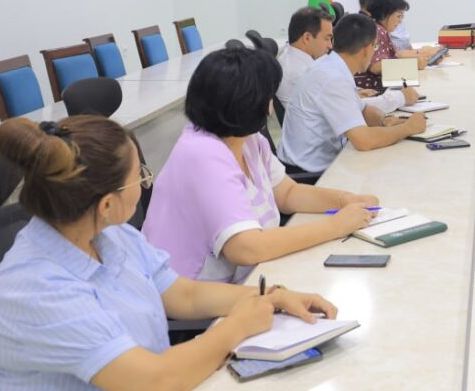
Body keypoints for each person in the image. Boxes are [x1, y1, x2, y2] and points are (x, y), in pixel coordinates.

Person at [0, 116, 338, 390]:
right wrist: (237, 326)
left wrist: (270, 297)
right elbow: (156, 380)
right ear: (106, 204)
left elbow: (184, 294)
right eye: (140, 176)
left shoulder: (109, 234)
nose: (145, 183)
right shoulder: (37, 293)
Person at [143, 47, 379, 283]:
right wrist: (335, 225)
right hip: (192, 292)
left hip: (245, 278)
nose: (270, 106)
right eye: (268, 97)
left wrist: (344, 200)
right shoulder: (202, 154)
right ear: (248, 103)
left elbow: (287, 193)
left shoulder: (247, 140)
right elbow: (246, 248)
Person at [281, 14, 427, 172]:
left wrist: (385, 120)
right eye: (375, 47)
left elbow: (363, 109)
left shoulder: (333, 65)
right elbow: (363, 141)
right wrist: (408, 128)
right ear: (367, 49)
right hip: (311, 173)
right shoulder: (332, 78)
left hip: (322, 160)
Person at [356, 0, 441, 92]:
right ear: (384, 14)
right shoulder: (377, 31)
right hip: (372, 92)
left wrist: (426, 60)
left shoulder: (379, 29)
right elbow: (375, 66)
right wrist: (413, 65)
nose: (400, 21)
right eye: (399, 16)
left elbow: (396, 56)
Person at [277, 6, 334, 108]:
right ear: (307, 38)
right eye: (327, 39)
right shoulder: (302, 75)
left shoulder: (288, 55)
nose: (330, 46)